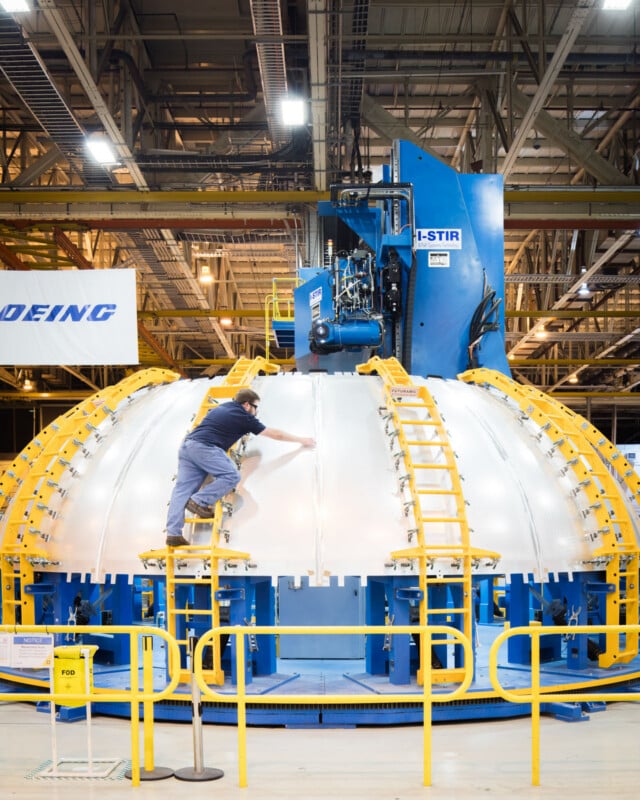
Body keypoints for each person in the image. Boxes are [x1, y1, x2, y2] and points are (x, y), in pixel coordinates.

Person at [165, 388, 315, 546]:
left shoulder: (222, 408)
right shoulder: (243, 416)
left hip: (187, 447)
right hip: (205, 448)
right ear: (247, 405)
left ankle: (173, 534)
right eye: (255, 407)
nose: (256, 411)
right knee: (232, 476)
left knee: (181, 490)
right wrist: (301, 440)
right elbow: (276, 434)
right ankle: (198, 501)